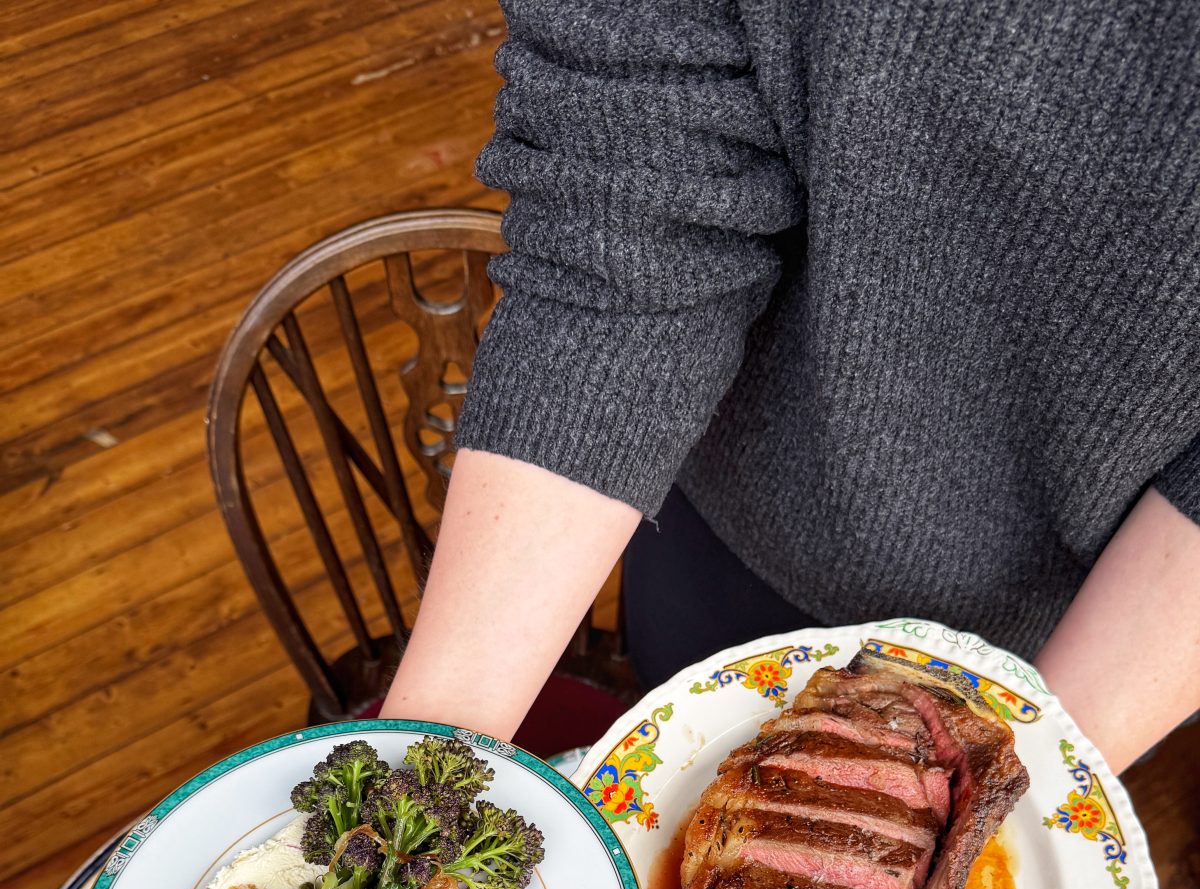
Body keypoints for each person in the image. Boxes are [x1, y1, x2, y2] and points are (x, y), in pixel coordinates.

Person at [382, 1, 1200, 773]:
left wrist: (1030, 777)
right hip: (733, 516)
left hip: (1104, 610)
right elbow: (627, 197)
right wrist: (421, 776)